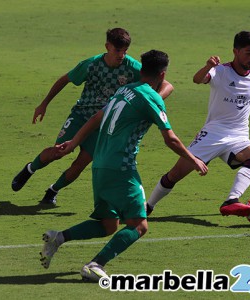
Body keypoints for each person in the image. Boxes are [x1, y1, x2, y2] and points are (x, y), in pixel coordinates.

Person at [38, 50, 208, 281]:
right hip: (121, 168)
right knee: (139, 225)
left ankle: (58, 238)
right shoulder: (151, 97)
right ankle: (95, 264)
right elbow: (171, 139)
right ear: (162, 74)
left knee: (109, 224)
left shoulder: (123, 90)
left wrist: (74, 142)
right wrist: (193, 159)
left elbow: (97, 116)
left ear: (141, 70)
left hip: (100, 165)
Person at [146, 31, 250, 218]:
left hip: (238, 136)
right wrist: (207, 67)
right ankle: (148, 206)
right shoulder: (220, 71)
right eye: (248, 53)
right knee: (175, 175)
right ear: (235, 51)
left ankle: (232, 200)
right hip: (212, 134)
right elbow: (197, 79)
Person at [11, 28, 174, 205]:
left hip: (104, 124)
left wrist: (151, 98)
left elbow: (167, 85)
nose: (121, 55)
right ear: (107, 46)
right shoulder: (91, 64)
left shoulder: (133, 67)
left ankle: (53, 190)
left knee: (80, 164)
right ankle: (30, 168)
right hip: (81, 115)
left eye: (125, 51)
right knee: (59, 151)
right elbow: (65, 79)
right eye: (117, 50)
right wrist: (44, 104)